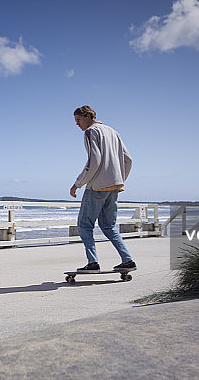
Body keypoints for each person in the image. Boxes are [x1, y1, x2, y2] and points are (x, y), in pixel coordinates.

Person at [70, 105, 136, 273]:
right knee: (109, 226)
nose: (77, 124)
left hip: (97, 187)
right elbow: (128, 160)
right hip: (115, 186)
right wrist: (119, 179)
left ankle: (93, 263)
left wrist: (78, 183)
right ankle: (127, 260)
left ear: (87, 116)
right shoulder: (113, 131)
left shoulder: (91, 132)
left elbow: (95, 161)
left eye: (78, 120)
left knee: (84, 225)